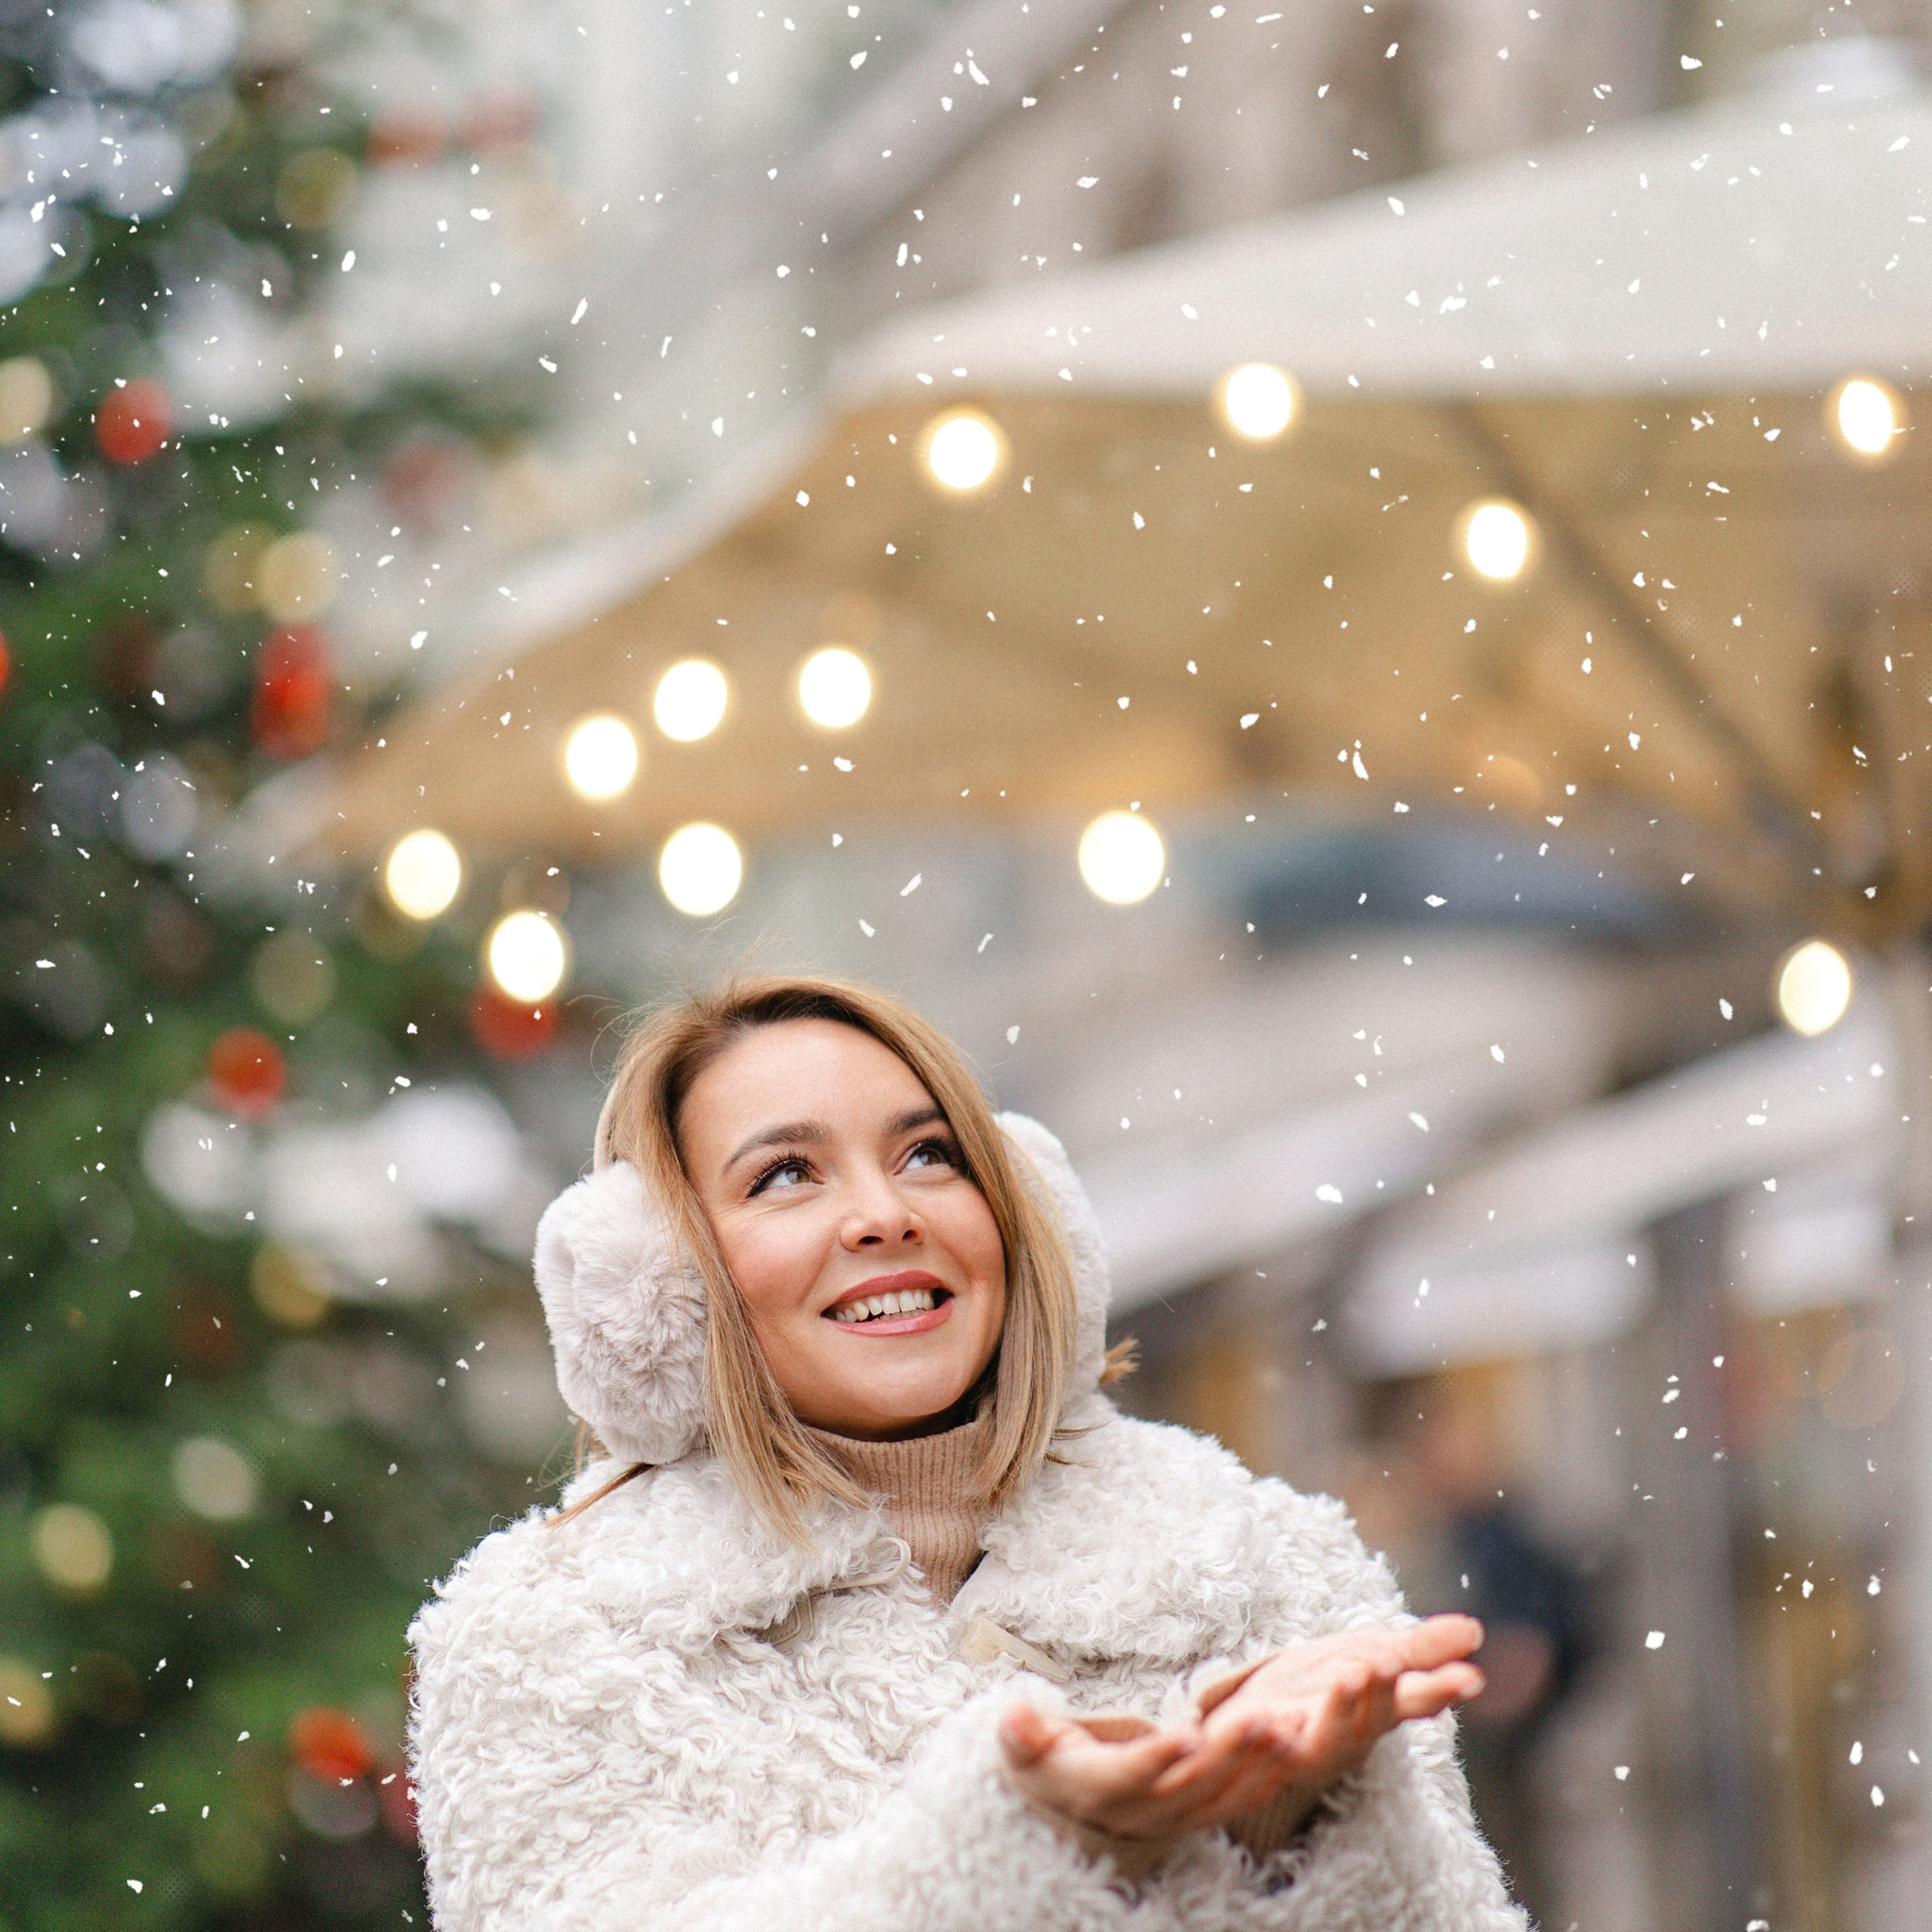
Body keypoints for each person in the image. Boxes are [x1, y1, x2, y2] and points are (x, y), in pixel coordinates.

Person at [408, 976, 1526, 1930]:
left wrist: (1295, 1835)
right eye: (786, 1174)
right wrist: (999, 1856)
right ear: (658, 1277)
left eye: (931, 1154)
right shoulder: (548, 1640)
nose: (886, 1214)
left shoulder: (1273, 1567)